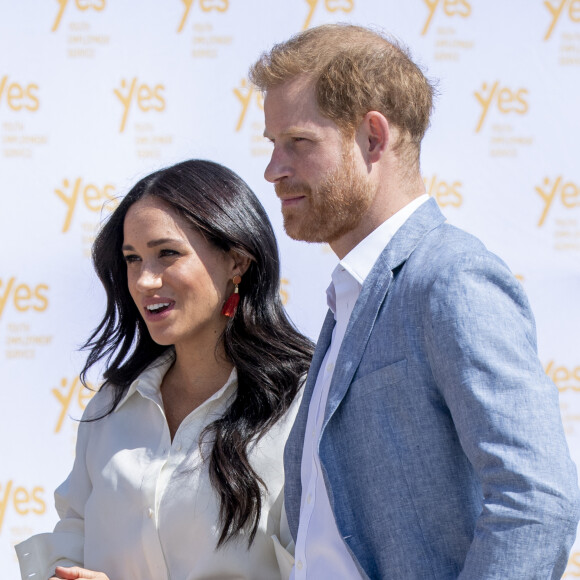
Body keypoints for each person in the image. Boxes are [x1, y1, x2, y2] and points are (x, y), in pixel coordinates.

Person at [249, 23, 580, 579]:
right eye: (273, 145)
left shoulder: (450, 277)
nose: (273, 170)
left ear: (373, 138)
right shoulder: (349, 297)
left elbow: (536, 498)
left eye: (298, 143)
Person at [15, 159, 314, 580]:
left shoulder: (303, 405)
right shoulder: (113, 404)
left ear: (237, 262)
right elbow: (74, 535)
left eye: (167, 254)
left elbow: (318, 567)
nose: (143, 281)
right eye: (133, 259)